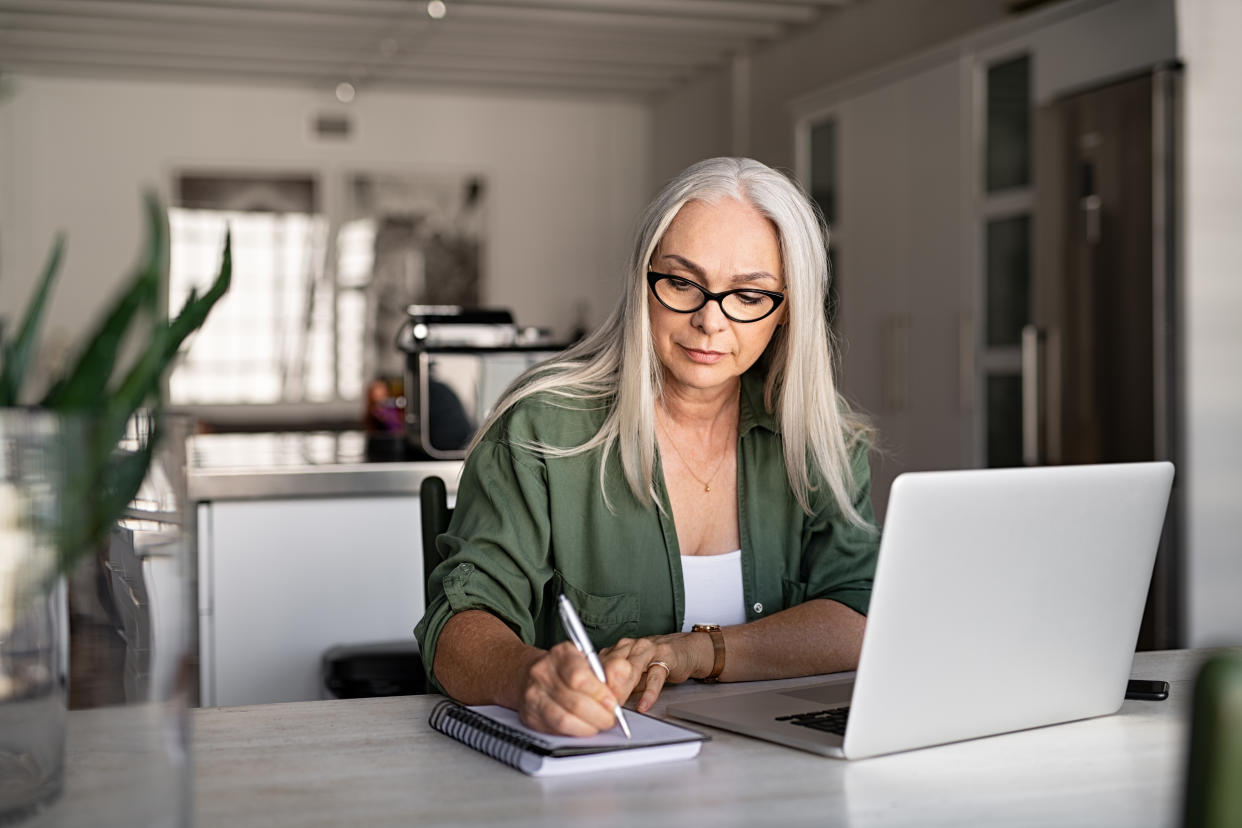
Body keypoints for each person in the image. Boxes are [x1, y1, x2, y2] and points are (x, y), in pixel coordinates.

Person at [414, 157, 878, 737]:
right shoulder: (541, 426)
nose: (710, 320)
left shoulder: (821, 436)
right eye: (683, 282)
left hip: (781, 765)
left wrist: (694, 652)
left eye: (749, 294)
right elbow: (458, 625)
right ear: (643, 281)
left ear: (786, 312)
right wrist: (527, 677)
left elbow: (859, 616)